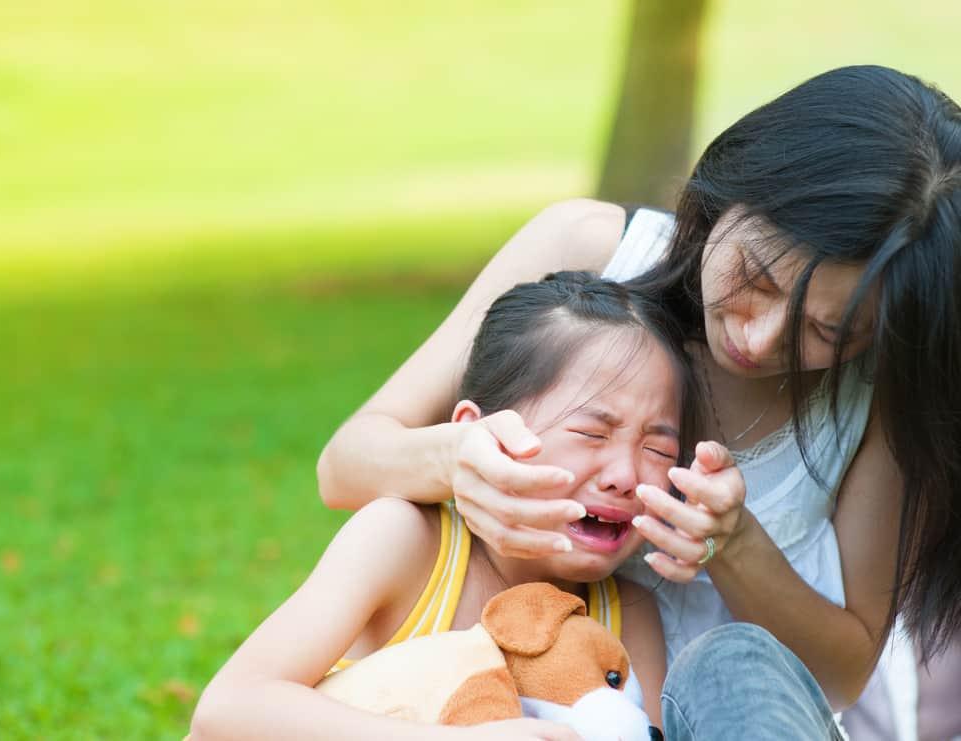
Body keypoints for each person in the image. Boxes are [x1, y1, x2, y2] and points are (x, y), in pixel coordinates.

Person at [316, 65, 961, 738]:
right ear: (732, 189)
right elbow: (347, 462)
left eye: (826, 331)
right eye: (754, 277)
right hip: (489, 709)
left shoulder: (875, 400)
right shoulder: (591, 251)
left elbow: (840, 675)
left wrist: (735, 546)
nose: (759, 338)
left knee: (729, 664)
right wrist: (458, 459)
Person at [191, 271, 703, 740]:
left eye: (657, 449)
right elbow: (227, 710)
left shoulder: (625, 614)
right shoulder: (404, 542)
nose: (625, 476)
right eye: (591, 433)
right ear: (474, 435)